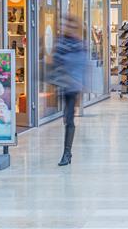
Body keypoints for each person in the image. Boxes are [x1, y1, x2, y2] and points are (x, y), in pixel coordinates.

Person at [49, 15, 87, 166]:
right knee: (66, 118)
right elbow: (55, 61)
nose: (68, 28)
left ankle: (67, 153)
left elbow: (82, 67)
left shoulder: (79, 44)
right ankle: (67, 152)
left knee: (69, 119)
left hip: (74, 87)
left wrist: (80, 88)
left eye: (71, 26)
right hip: (62, 85)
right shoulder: (60, 43)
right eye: (66, 25)